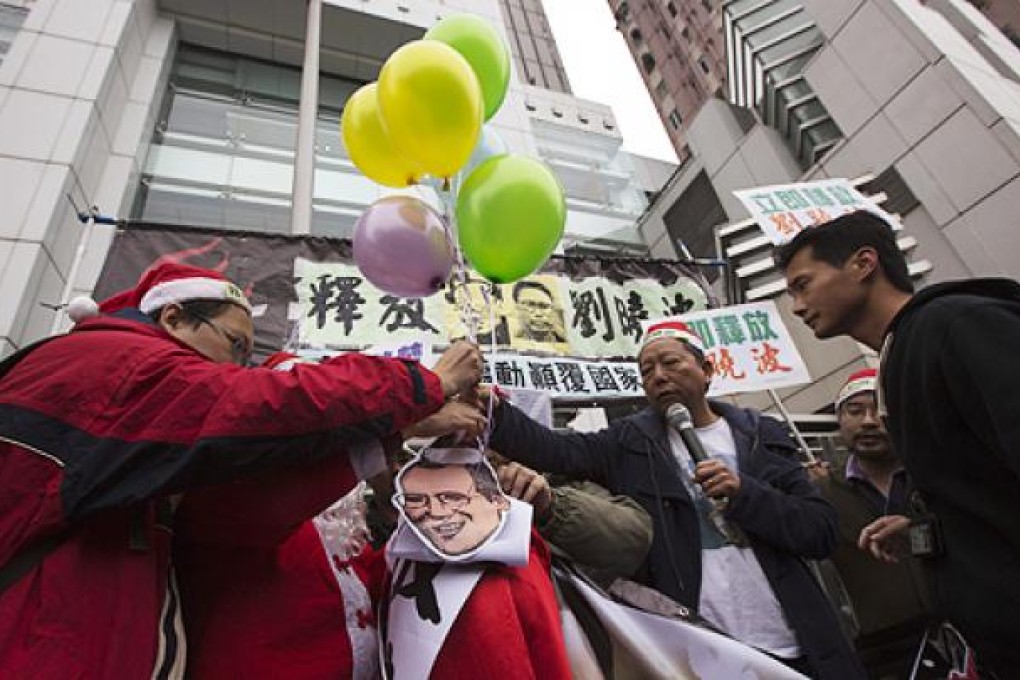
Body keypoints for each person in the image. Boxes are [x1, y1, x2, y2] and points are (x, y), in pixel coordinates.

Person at [0, 262, 482, 678]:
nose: (237, 369)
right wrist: (423, 385)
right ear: (174, 318)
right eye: (234, 345)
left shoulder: (126, 390)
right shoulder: (120, 364)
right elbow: (266, 405)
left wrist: (392, 433)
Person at [487, 318, 863, 679]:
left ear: (707, 370)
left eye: (670, 363)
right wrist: (495, 411)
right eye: (647, 370)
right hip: (694, 647)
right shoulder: (628, 442)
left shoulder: (760, 433)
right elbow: (555, 450)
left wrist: (745, 494)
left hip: (791, 642)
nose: (658, 376)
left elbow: (821, 531)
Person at [776, 209, 1020, 676]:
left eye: (803, 284)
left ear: (863, 263)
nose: (797, 306)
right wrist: (925, 529)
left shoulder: (956, 324)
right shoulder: (903, 353)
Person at [814, 368, 932, 678]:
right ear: (840, 420)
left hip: (964, 626)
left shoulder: (934, 476)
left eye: (879, 409)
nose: (868, 420)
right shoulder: (820, 492)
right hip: (883, 651)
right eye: (855, 410)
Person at [394, 456, 510, 557]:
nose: (436, 512)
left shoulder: (521, 569)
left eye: (453, 497)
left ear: (498, 501)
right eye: (415, 499)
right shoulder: (398, 559)